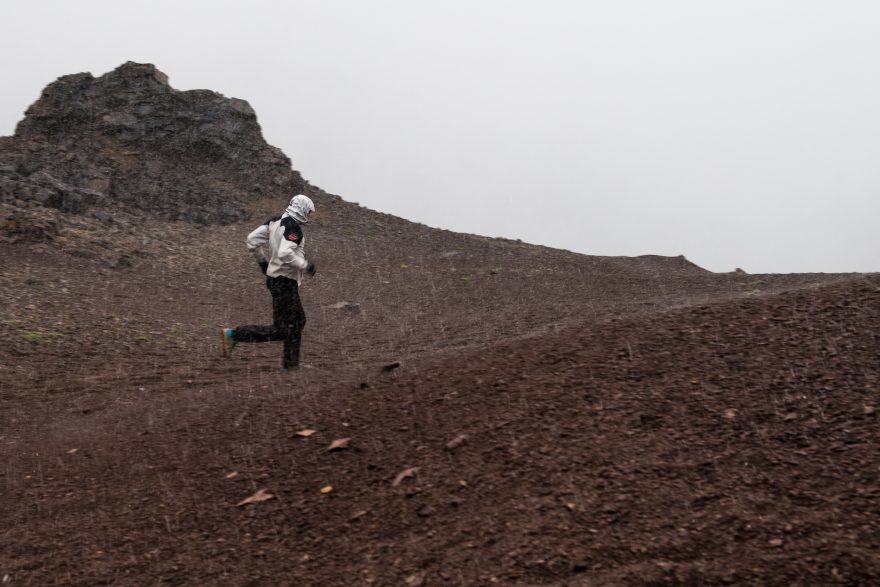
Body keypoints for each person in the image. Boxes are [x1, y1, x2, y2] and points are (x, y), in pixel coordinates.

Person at [221, 194, 317, 371]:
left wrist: (262, 263)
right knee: (281, 329)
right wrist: (305, 266)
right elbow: (285, 253)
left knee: (298, 321)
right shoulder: (293, 228)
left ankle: (291, 366)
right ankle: (234, 334)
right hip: (285, 282)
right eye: (309, 212)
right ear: (302, 209)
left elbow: (251, 240)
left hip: (276, 280)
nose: (309, 216)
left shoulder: (275, 221)